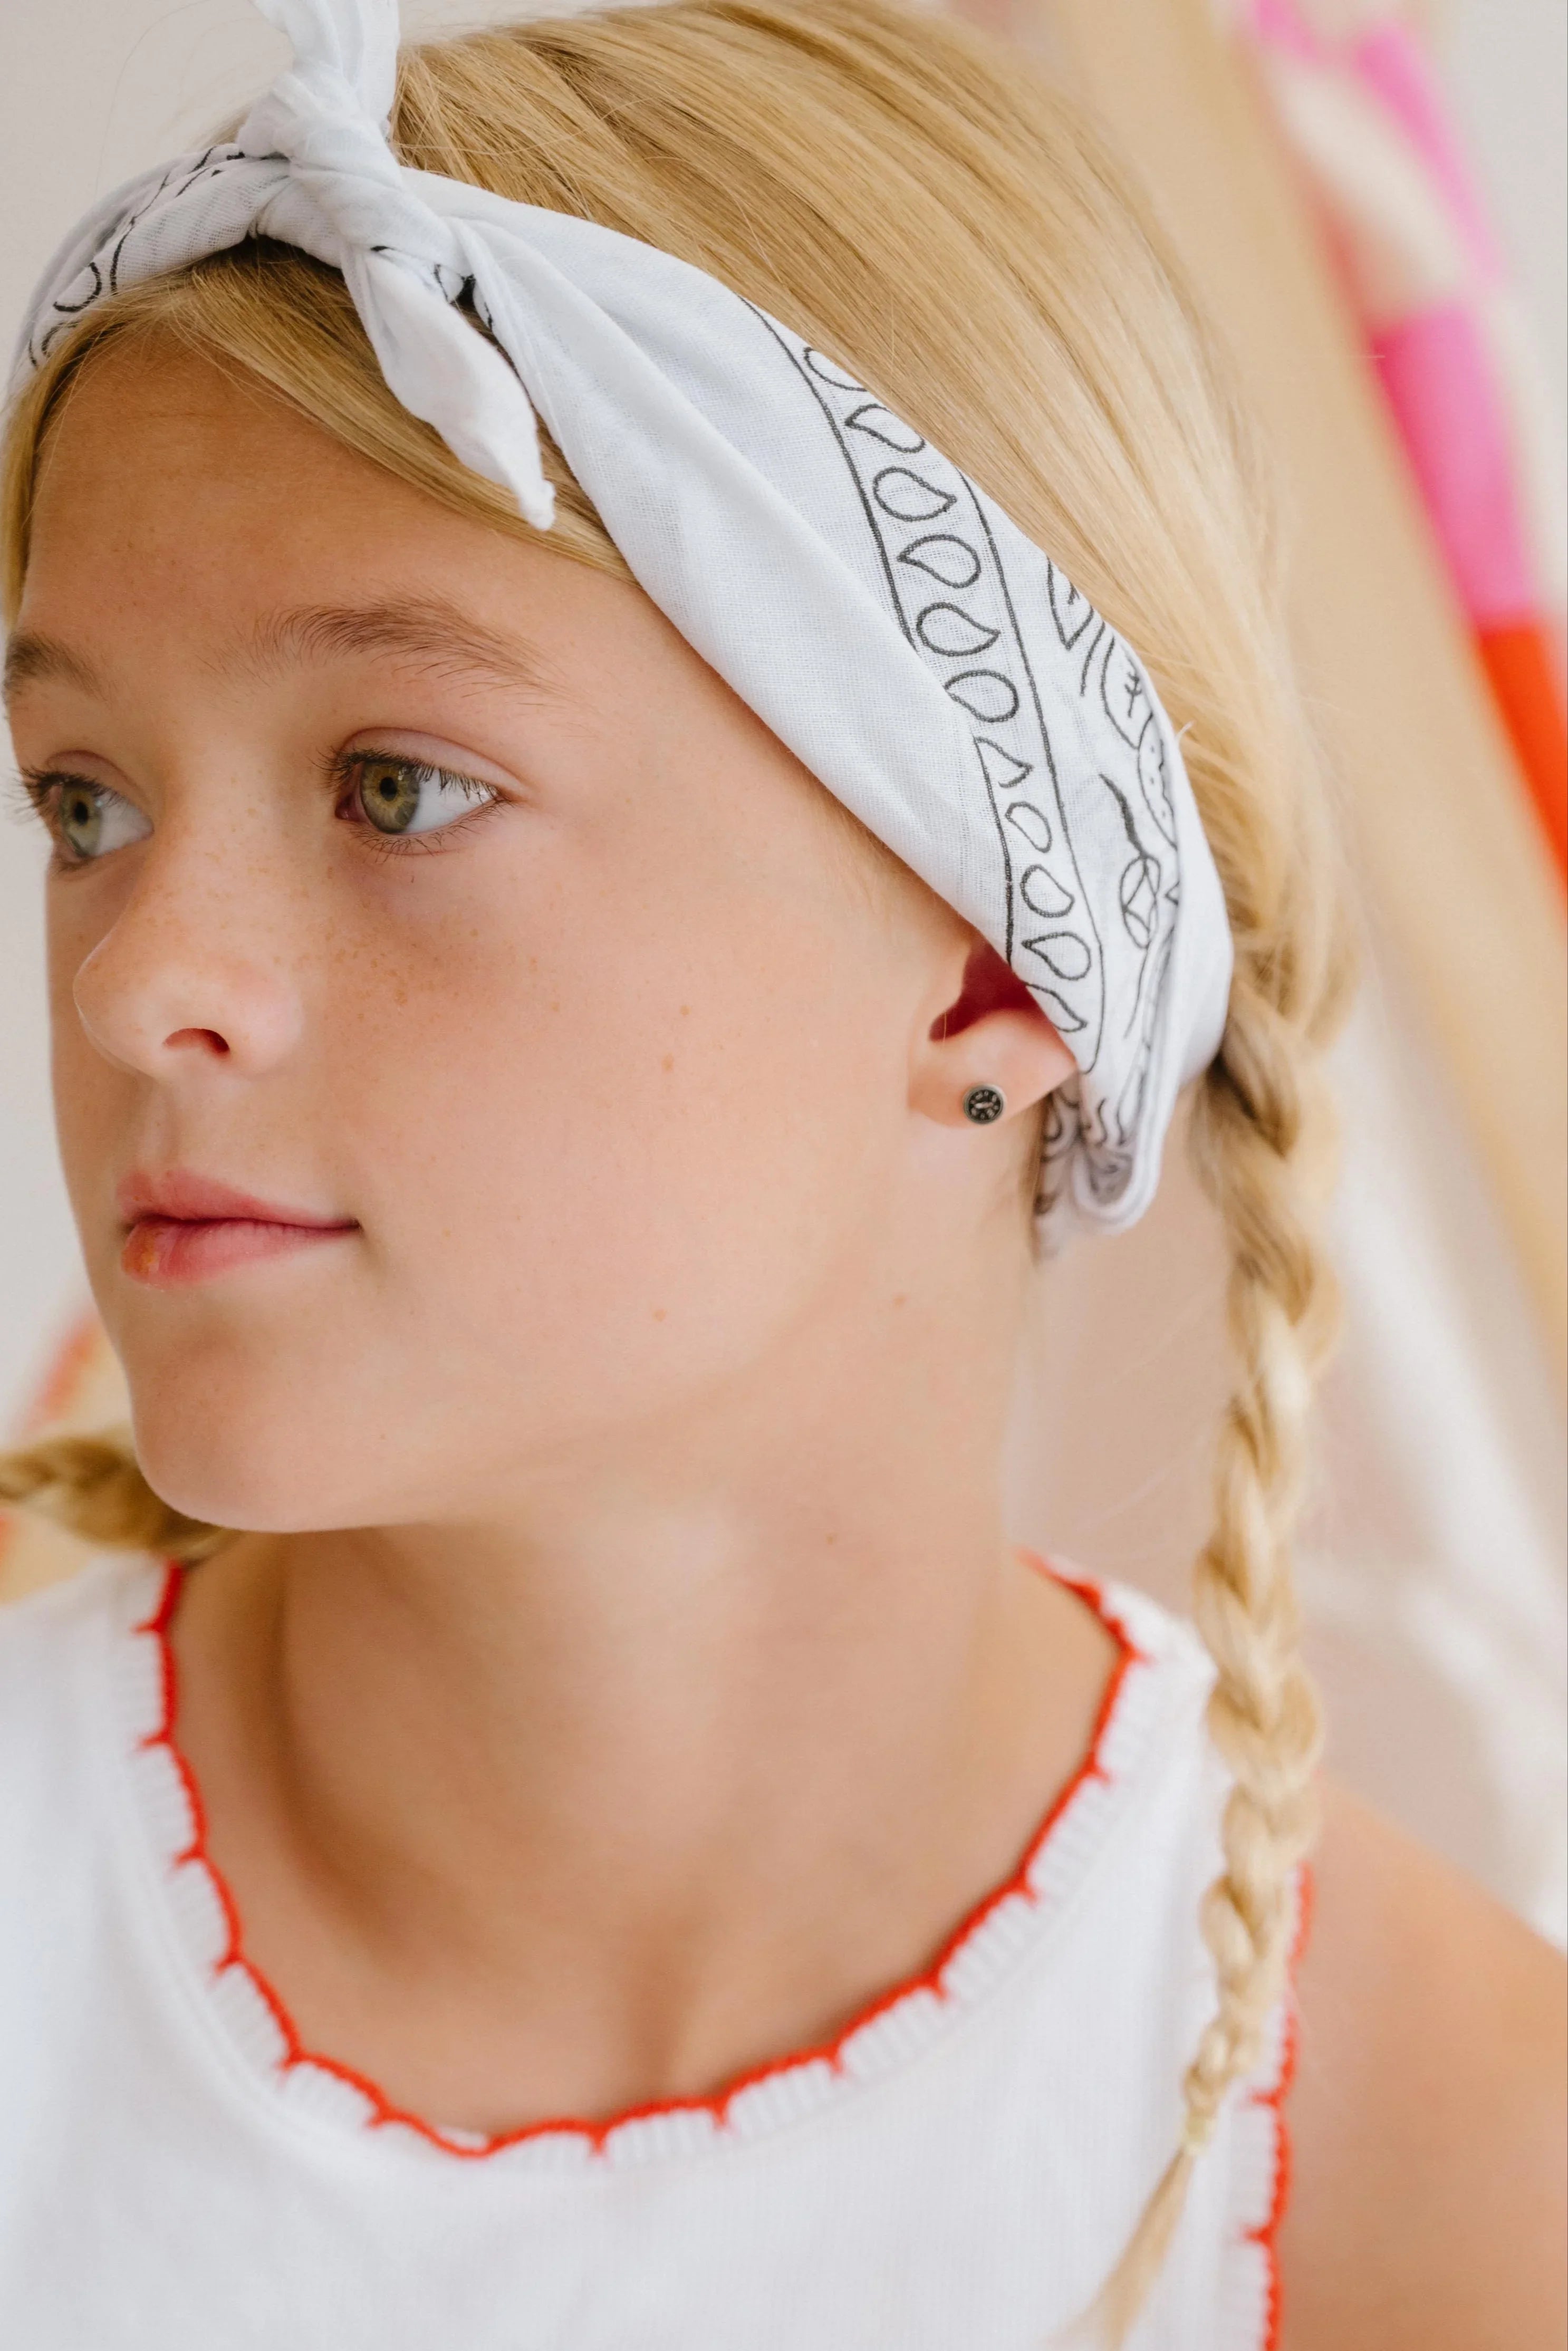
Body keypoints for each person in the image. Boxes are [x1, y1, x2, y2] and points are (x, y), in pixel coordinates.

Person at [0, 0, 1561, 2343]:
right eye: (82, 798)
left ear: (982, 979)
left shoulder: (1439, 2173)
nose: (139, 982)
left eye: (397, 784)